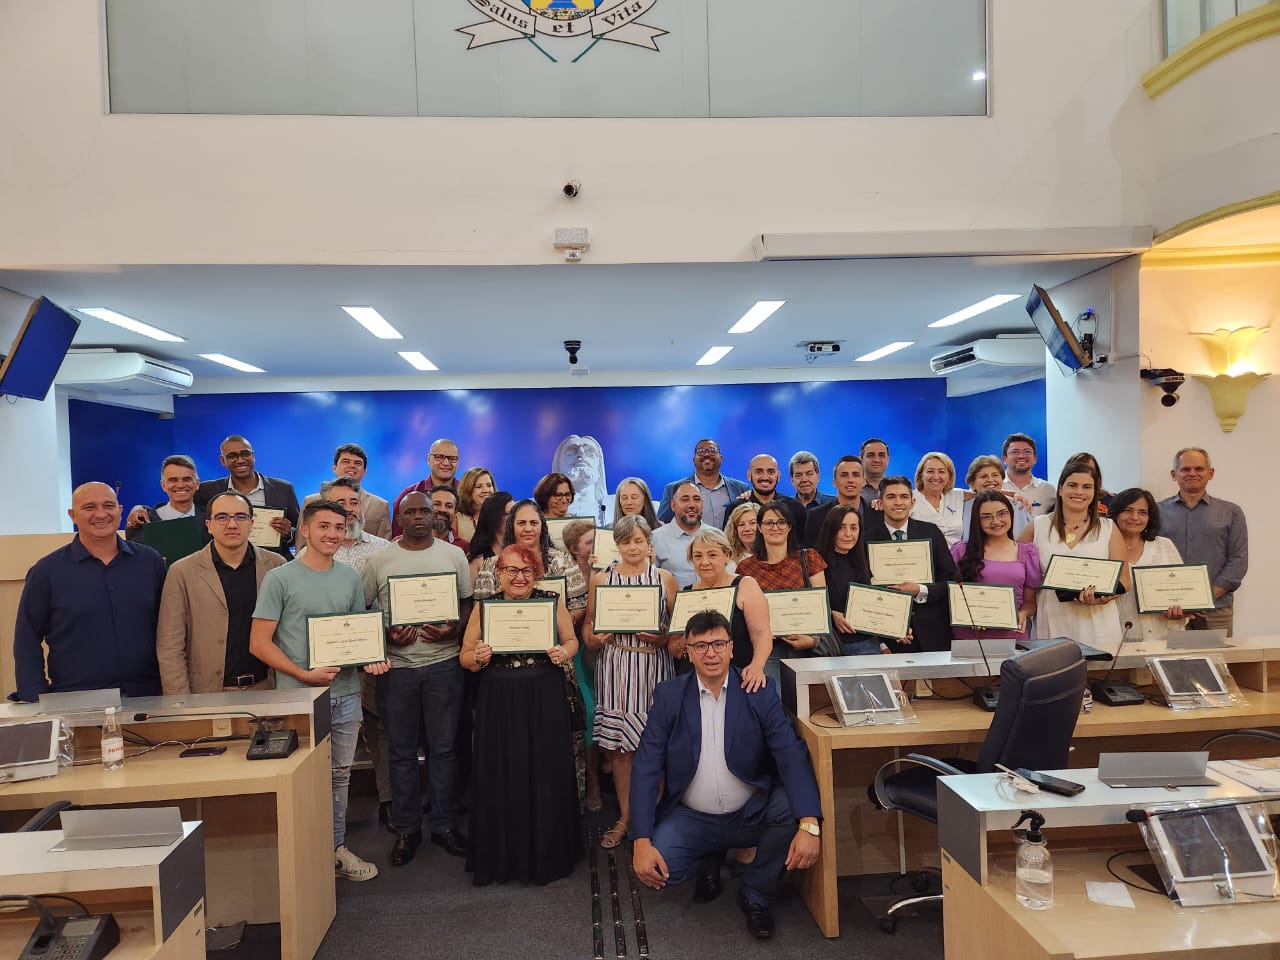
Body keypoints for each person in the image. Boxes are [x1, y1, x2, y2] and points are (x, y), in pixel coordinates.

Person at [630, 611, 822, 941]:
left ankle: (756, 894)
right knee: (662, 870)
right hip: (693, 815)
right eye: (701, 645)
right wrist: (640, 840)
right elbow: (646, 766)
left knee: (790, 809)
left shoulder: (758, 691)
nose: (711, 653)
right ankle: (708, 857)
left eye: (719, 643)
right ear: (687, 652)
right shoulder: (669, 696)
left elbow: (790, 754)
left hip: (750, 812)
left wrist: (810, 823)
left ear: (732, 649)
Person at [249, 498, 390, 882]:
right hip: (298, 696)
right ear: (305, 531)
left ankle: (335, 848)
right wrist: (303, 674)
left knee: (341, 775)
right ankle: (305, 854)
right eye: (323, 526)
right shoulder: (280, 578)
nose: (332, 534)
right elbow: (259, 643)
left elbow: (357, 635)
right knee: (302, 776)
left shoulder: (348, 577)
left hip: (345, 694)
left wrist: (371, 658)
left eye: (339, 528)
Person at [458, 543, 581, 886]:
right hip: (500, 699)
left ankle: (548, 853)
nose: (518, 577)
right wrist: (479, 657)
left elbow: (572, 641)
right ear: (499, 573)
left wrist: (563, 652)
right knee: (503, 770)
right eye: (511, 570)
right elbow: (464, 657)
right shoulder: (486, 607)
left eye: (526, 571)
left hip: (544, 694)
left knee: (546, 769)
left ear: (537, 574)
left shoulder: (550, 601)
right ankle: (504, 856)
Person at [362, 491, 472, 866]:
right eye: (411, 511)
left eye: (425, 510)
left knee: (444, 750)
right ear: (400, 517)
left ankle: (443, 825)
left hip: (444, 665)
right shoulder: (379, 560)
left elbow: (466, 603)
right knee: (402, 753)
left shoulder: (453, 555)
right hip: (398, 670)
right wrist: (387, 634)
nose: (420, 517)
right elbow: (364, 611)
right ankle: (407, 828)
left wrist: (453, 629)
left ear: (435, 516)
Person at [13, 482, 167, 701]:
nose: (101, 514)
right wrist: (34, 697)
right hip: (76, 699)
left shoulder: (150, 562)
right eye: (89, 507)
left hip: (149, 695)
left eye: (108, 505)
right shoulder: (46, 572)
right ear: (72, 515)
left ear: (120, 511)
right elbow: (26, 637)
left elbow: (171, 628)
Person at [586, 515, 678, 849]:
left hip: (653, 665)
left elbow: (677, 634)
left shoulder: (664, 579)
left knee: (654, 746)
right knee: (622, 751)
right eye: (626, 541)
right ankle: (626, 816)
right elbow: (588, 633)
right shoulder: (602, 578)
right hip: (615, 663)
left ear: (648, 542)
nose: (632, 547)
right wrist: (597, 639)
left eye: (638, 540)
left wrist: (662, 637)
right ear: (618, 544)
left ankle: (652, 817)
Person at [155, 491, 286, 694]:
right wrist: (179, 703)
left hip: (267, 688)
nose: (232, 524)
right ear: (209, 525)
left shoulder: (276, 566)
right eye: (222, 517)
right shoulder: (182, 571)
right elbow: (170, 645)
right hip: (208, 693)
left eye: (240, 517)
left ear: (252, 523)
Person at [1017, 460, 1127, 655]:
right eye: (1072, 485)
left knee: (1097, 679)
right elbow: (1014, 566)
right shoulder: (1038, 526)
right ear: (1060, 489)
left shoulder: (1108, 528)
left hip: (1097, 620)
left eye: (1087, 487)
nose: (1079, 492)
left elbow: (1125, 580)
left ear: (1095, 493)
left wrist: (1103, 597)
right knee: (1052, 677)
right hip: (1052, 617)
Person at [861, 476, 959, 653]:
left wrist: (920, 590)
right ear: (880, 503)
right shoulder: (866, 540)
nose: (898, 502)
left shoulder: (931, 532)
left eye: (904, 497)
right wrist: (881, 643)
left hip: (934, 633)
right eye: (891, 497)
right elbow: (863, 592)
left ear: (912, 502)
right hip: (890, 636)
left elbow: (951, 581)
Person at [1160, 447, 1248, 636]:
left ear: (1211, 473)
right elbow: (1149, 559)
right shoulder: (1156, 513)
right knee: (1172, 664)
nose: (1192, 473)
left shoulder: (1231, 512)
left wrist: (1202, 599)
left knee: (1216, 663)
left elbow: (1238, 561)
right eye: (1185, 469)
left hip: (1217, 609)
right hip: (1169, 612)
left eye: (1199, 469)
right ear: (1174, 474)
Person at [735, 501, 827, 683]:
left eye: (781, 522)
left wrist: (812, 640)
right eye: (768, 523)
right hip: (766, 652)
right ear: (760, 528)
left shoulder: (809, 558)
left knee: (808, 707)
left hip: (807, 650)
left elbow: (822, 607)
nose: (775, 527)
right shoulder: (745, 569)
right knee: (772, 705)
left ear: (789, 526)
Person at [681, 527, 771, 688]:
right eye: (698, 556)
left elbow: (761, 633)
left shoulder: (745, 585)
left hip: (740, 676)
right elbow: (677, 647)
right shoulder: (687, 592)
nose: (705, 562)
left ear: (727, 556)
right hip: (694, 679)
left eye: (712, 555)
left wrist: (757, 666)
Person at [474, 500, 588, 625]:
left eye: (534, 523)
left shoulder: (563, 561)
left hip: (556, 641)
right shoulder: (491, 565)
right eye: (521, 523)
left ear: (542, 526)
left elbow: (580, 605)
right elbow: (480, 611)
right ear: (511, 526)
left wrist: (560, 626)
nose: (528, 528)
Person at [951, 491, 1041, 642]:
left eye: (1002, 514)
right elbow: (949, 594)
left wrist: (1023, 614)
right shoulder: (961, 551)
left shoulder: (1027, 552)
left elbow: (1030, 603)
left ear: (1011, 514)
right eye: (986, 517)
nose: (996, 521)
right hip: (970, 636)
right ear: (976, 520)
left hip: (1013, 636)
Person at [193, 435, 299, 559]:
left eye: (245, 454)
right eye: (232, 456)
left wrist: (288, 533)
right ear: (222, 460)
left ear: (253, 456)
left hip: (273, 564)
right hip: (225, 564)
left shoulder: (283, 489)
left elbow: (302, 531)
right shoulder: (206, 491)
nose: (240, 460)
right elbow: (198, 531)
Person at [562, 517, 603, 812]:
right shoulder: (565, 574)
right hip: (577, 652)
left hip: (607, 652)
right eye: (589, 543)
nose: (594, 548)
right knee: (587, 715)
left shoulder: (609, 571)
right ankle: (593, 782)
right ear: (573, 549)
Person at [1111, 487, 1186, 643]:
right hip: (1119, 640)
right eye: (1128, 510)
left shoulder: (1164, 545)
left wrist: (1179, 609)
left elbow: (1181, 590)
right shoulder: (1103, 548)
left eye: (1143, 512)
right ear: (1116, 514)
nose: (1135, 517)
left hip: (1163, 637)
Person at [814, 504, 885, 655]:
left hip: (867, 644)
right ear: (830, 529)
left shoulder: (865, 559)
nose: (848, 534)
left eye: (854, 528)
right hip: (831, 646)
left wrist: (896, 628)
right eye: (841, 528)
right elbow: (809, 605)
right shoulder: (815, 562)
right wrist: (831, 614)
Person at [300, 444, 391, 540]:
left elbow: (385, 548)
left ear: (365, 471)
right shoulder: (311, 501)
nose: (352, 466)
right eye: (346, 461)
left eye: (357, 463)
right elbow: (301, 544)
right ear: (334, 467)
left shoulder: (380, 506)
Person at [657, 439, 749, 529]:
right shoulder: (673, 489)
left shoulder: (741, 488)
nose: (707, 454)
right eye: (701, 451)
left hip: (729, 543)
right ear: (694, 460)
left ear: (721, 458)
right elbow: (661, 524)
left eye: (712, 451)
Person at [391, 438, 461, 538]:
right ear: (429, 459)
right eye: (439, 457)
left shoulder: (467, 492)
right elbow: (397, 535)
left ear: (458, 462)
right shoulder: (409, 495)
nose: (446, 463)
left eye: (452, 458)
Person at [124, 453, 206, 535]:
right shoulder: (141, 522)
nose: (180, 485)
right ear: (163, 485)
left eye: (187, 479)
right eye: (173, 480)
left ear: (197, 484)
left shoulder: (211, 518)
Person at [652, 482, 711, 588]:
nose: (692, 505)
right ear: (673, 505)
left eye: (696, 499)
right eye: (685, 499)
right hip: (673, 603)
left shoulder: (717, 537)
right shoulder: (655, 539)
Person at [732, 454, 805, 533]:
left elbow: (803, 543)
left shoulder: (795, 507)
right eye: (759, 472)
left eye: (771, 472)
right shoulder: (736, 508)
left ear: (778, 476)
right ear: (749, 475)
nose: (765, 477)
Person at [803, 454, 863, 547]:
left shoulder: (877, 513)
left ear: (864, 481)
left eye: (856, 475)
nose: (850, 480)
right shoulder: (816, 516)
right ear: (834, 482)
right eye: (844, 475)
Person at [553, 434, 612, 525]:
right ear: (558, 465)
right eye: (571, 452)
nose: (581, 454)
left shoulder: (615, 507)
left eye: (590, 453)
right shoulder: (534, 508)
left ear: (599, 468)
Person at [911, 451, 966, 546]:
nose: (936, 477)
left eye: (941, 472)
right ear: (921, 475)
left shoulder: (956, 495)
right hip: (925, 558)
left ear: (949, 476)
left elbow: (980, 492)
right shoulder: (909, 499)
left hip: (956, 558)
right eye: (930, 471)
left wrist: (1001, 492)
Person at [467, 491, 515, 589]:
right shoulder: (478, 560)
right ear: (494, 517)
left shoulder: (523, 551)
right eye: (509, 514)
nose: (515, 518)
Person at [1001, 433, 1055, 518]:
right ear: (1004, 459)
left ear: (1035, 458)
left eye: (1027, 451)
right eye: (1015, 452)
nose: (1021, 456)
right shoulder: (995, 487)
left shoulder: (1048, 490)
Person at [455, 467, 496, 543]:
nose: (486, 490)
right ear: (467, 490)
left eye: (489, 485)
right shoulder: (457, 518)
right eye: (478, 486)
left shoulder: (502, 516)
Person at [429, 483, 470, 555]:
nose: (443, 510)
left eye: (449, 506)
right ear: (426, 508)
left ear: (455, 512)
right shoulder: (407, 541)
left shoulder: (465, 548)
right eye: (437, 504)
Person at [859, 438, 890, 512]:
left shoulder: (898, 490)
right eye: (870, 455)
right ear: (861, 459)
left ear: (888, 459)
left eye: (881, 455)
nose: (876, 460)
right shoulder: (852, 489)